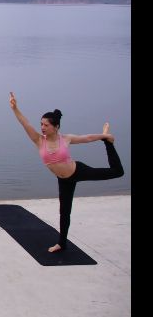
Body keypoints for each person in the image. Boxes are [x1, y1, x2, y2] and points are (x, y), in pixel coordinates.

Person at [9, 92, 124, 252]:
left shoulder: (66, 139)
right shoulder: (38, 140)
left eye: (46, 125)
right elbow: (25, 123)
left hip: (79, 171)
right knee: (64, 211)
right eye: (41, 124)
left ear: (56, 127)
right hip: (64, 180)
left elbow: (88, 138)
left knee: (117, 172)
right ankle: (61, 243)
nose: (42, 127)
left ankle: (109, 143)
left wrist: (105, 136)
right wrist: (15, 108)